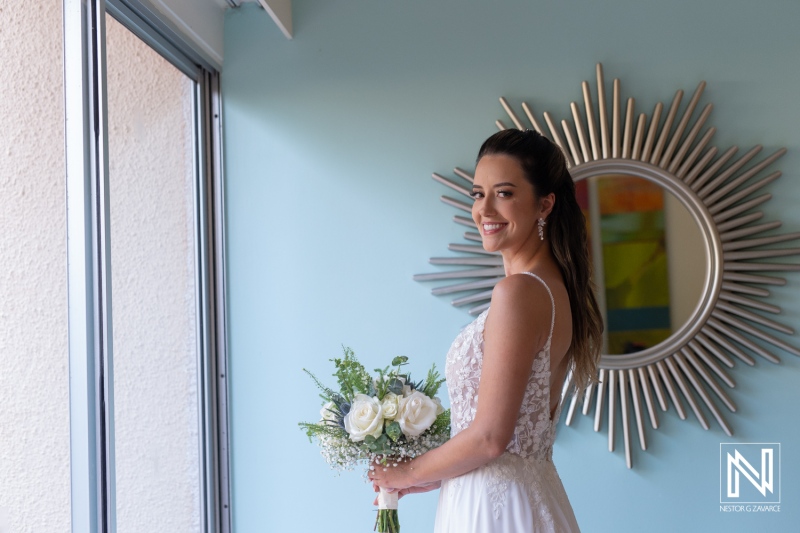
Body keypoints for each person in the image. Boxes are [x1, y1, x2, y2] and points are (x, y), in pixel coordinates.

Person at [369, 128, 604, 532]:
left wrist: (403, 474)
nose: (485, 210)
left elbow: (491, 438)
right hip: (513, 496)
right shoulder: (552, 290)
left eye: (505, 193)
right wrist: (433, 472)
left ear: (544, 204)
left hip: (496, 511)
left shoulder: (519, 293)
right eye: (479, 194)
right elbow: (505, 442)